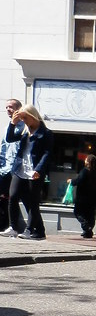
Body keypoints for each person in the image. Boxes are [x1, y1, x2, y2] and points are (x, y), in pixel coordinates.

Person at [2, 104, 53, 240]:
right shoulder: (25, 131)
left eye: (25, 118)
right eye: (22, 118)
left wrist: (38, 170)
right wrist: (13, 124)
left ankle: (30, 230)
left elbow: (47, 154)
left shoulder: (46, 133)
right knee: (13, 196)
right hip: (20, 169)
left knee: (32, 201)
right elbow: (10, 138)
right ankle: (13, 227)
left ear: (32, 116)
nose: (23, 120)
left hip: (34, 172)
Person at [0, 98, 23, 233]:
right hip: (5, 169)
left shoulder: (24, 127)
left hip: (18, 170)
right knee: (5, 199)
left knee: (18, 198)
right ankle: (6, 225)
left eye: (11, 107)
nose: (8, 109)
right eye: (7, 107)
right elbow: (3, 149)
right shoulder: (6, 129)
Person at [69, 154, 96, 238]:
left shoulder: (85, 171)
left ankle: (86, 227)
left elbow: (79, 180)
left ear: (88, 161)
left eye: (86, 159)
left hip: (83, 197)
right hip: (93, 198)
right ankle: (88, 231)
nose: (85, 161)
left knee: (78, 212)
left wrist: (71, 181)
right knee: (90, 214)